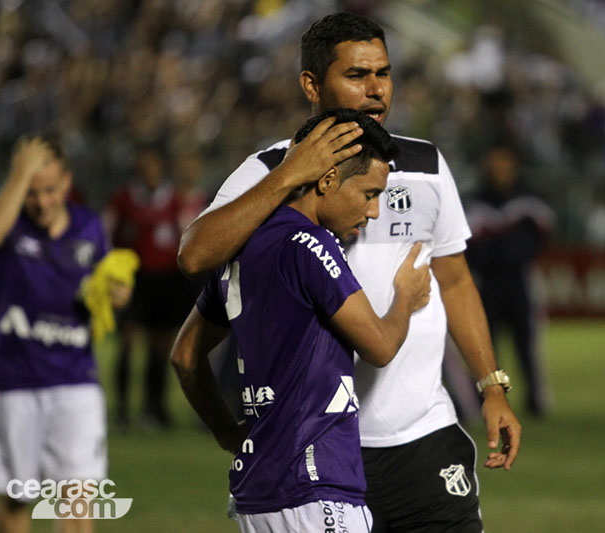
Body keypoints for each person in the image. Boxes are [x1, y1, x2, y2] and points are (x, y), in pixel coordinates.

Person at [178, 13, 521, 531]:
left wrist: (491, 386)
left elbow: (453, 279)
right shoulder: (269, 171)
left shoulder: (424, 165)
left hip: (423, 440)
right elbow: (195, 256)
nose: (376, 90)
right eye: (357, 76)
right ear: (312, 85)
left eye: (383, 73)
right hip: (319, 449)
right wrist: (292, 173)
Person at [171, 108, 431, 532]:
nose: (374, 212)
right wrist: (406, 298)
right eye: (368, 194)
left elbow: (185, 355)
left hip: (259, 492)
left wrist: (224, 431)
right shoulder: (310, 243)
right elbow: (380, 346)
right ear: (327, 180)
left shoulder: (246, 247)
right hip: (314, 486)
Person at [0, 135, 131, 533]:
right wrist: (20, 173)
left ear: (66, 183)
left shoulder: (89, 226)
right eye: (32, 191)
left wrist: (117, 292)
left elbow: (108, 284)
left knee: (76, 506)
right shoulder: (8, 223)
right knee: (18, 501)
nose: (42, 201)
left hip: (75, 383)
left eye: (50, 189)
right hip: (16, 383)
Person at [465, 146, 555, 418]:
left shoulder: (528, 200)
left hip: (520, 282)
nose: (500, 170)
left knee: (528, 345)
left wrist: (513, 253)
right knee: (484, 346)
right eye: (495, 164)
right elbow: (464, 243)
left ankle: (536, 401)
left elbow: (544, 234)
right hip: (487, 284)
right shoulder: (474, 202)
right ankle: (484, 400)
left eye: (505, 163)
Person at [103, 142, 185, 429]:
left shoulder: (174, 199)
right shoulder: (123, 199)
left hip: (164, 281)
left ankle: (156, 409)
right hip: (132, 280)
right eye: (143, 163)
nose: (147, 169)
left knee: (160, 345)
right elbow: (107, 233)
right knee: (127, 341)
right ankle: (123, 410)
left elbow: (186, 236)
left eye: (152, 163)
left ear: (161, 166)